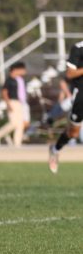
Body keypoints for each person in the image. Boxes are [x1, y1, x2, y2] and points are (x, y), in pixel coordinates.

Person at [48, 41, 83, 173]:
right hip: (81, 95)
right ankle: (55, 149)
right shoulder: (78, 48)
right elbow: (70, 74)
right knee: (73, 133)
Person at [0, 62, 28, 147]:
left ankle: (17, 143)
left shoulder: (19, 80)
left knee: (20, 124)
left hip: (19, 102)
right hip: (12, 101)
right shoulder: (9, 80)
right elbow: (4, 92)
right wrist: (8, 103)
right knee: (14, 122)